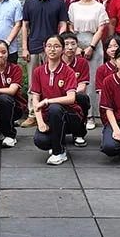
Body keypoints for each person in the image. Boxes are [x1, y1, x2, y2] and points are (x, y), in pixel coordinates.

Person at [20, 0, 70, 124]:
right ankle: (33, 114)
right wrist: (24, 48)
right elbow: (25, 26)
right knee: (33, 83)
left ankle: (50, 113)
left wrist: (58, 42)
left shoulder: (59, 2)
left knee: (52, 82)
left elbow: (63, 24)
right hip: (33, 47)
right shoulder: (29, 2)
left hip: (52, 49)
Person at [30, 35, 86, 165]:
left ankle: (58, 152)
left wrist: (48, 101)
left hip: (70, 115)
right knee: (41, 141)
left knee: (55, 108)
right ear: (44, 48)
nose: (52, 49)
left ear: (62, 49)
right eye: (49, 46)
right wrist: (40, 122)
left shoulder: (68, 71)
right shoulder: (38, 71)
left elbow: (71, 98)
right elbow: (35, 99)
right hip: (48, 116)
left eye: (56, 46)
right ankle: (58, 142)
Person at [68, 0, 109, 130]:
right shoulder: (73, 6)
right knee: (76, 79)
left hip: (94, 44)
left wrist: (91, 47)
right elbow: (70, 26)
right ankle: (77, 113)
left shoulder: (99, 7)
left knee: (92, 81)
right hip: (76, 44)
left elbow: (101, 28)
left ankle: (92, 115)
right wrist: (76, 47)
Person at [0, 40, 24, 148]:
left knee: (4, 98)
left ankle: (10, 135)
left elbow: (12, 91)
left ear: (8, 53)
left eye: (4, 52)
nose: (0, 55)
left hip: (15, 107)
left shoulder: (15, 69)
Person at [60, 32, 93, 124]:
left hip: (75, 95)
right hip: (58, 96)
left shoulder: (82, 62)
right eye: (66, 44)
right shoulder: (55, 62)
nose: (70, 47)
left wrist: (70, 96)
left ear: (77, 46)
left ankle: (81, 126)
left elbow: (82, 86)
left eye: (73, 44)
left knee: (83, 98)